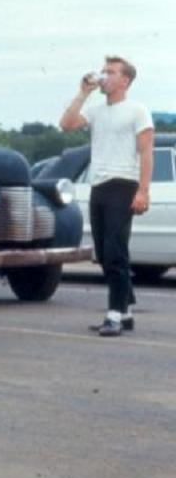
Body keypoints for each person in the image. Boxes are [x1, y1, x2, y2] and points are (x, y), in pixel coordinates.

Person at [60, 56, 153, 337]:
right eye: (104, 71)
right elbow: (66, 124)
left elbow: (146, 151)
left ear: (124, 81)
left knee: (115, 249)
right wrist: (83, 92)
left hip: (123, 183)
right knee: (103, 252)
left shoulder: (137, 110)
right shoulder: (97, 111)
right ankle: (125, 312)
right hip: (99, 185)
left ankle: (113, 313)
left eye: (111, 72)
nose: (104, 76)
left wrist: (143, 190)